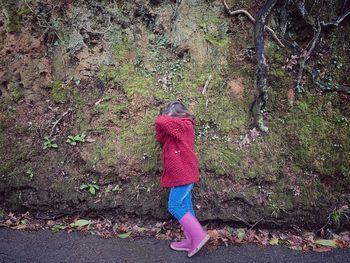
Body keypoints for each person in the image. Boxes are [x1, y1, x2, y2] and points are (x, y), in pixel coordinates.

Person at [154, 101, 210, 257]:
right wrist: (163, 122)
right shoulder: (174, 131)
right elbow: (160, 136)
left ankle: (198, 236)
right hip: (180, 175)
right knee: (185, 205)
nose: (168, 121)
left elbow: (161, 121)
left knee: (174, 205)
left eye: (170, 118)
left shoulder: (185, 126)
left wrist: (163, 117)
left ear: (178, 116)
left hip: (184, 173)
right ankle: (191, 239)